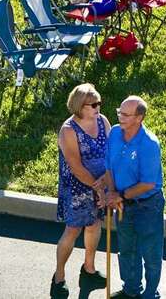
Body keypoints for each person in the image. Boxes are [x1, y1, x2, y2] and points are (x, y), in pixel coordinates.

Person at [52, 83, 111, 298]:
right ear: (79, 106)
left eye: (99, 103)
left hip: (100, 185)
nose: (98, 107)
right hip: (78, 188)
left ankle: (89, 268)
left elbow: (110, 153)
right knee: (73, 230)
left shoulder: (102, 121)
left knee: (95, 224)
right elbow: (76, 167)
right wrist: (99, 189)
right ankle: (59, 277)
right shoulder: (68, 130)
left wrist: (106, 182)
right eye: (93, 104)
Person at [103, 96, 164, 299]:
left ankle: (150, 294)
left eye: (126, 114)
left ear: (139, 118)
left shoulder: (149, 145)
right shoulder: (113, 133)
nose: (120, 117)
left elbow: (148, 183)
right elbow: (109, 166)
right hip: (122, 203)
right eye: (120, 112)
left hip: (147, 206)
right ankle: (131, 290)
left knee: (150, 253)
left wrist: (120, 195)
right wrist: (112, 193)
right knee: (127, 250)